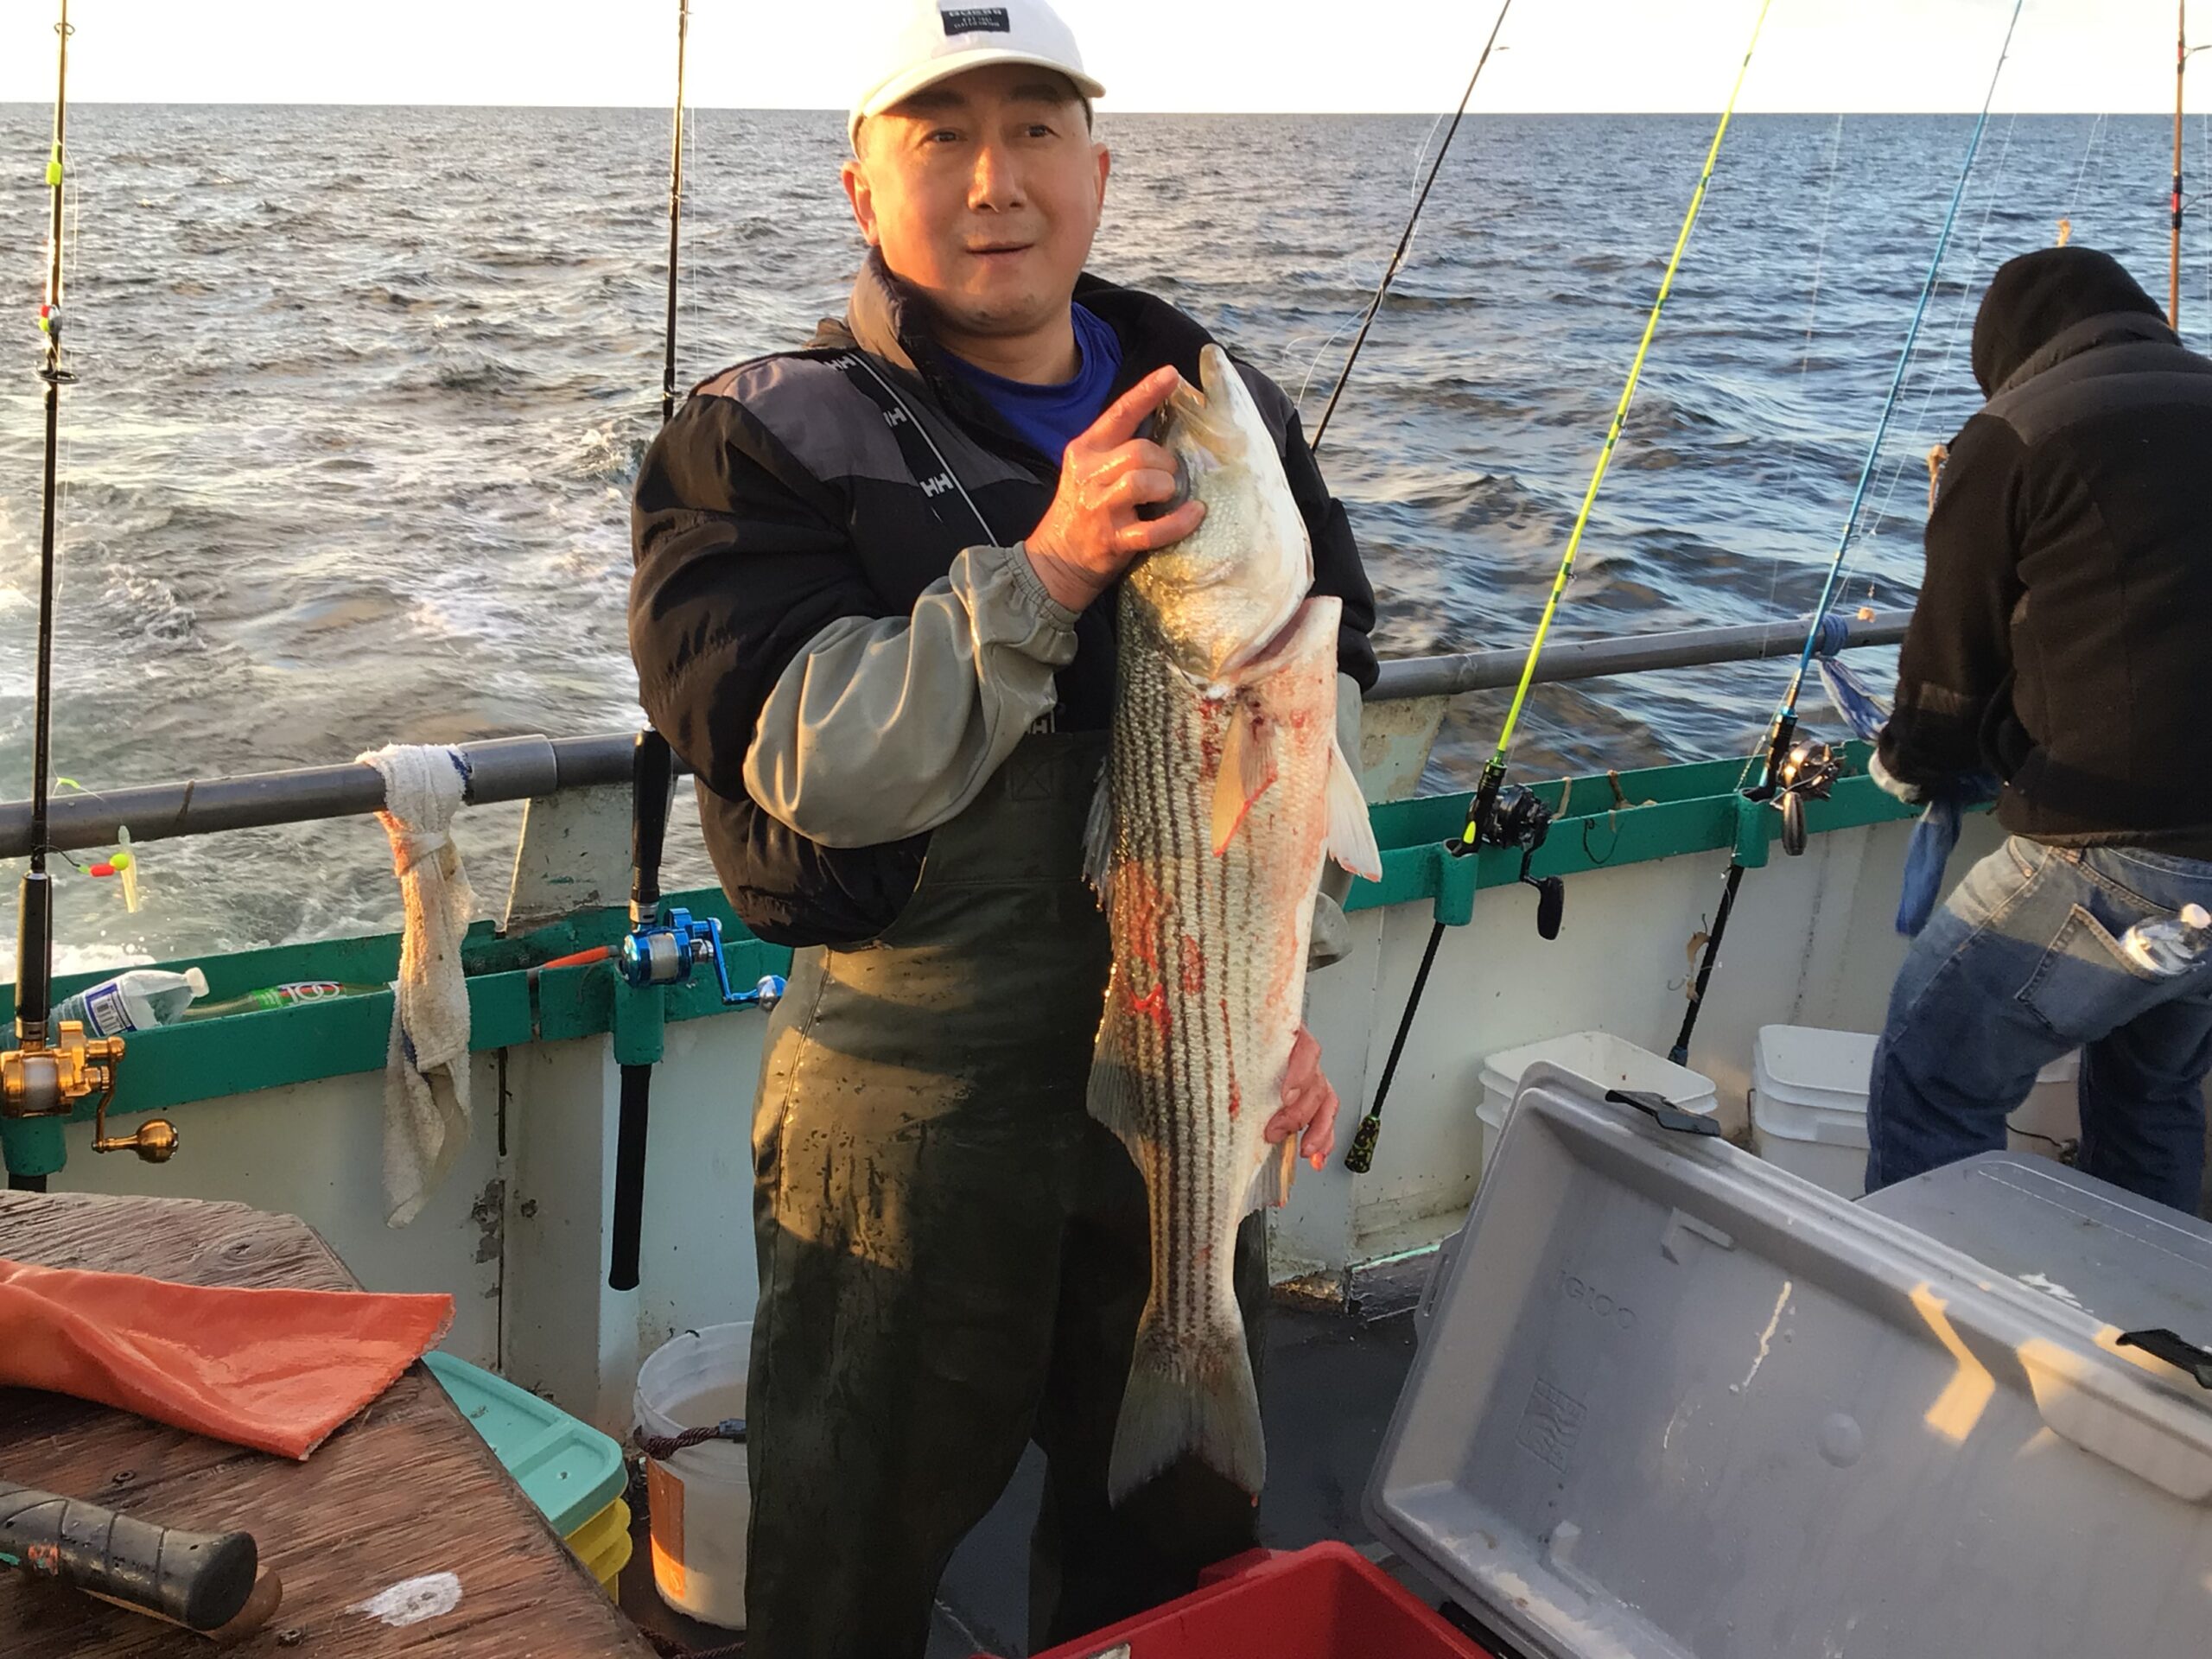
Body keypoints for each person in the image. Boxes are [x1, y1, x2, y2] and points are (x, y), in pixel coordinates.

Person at [626, 2, 1379, 1653]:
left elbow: (1306, 727)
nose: (994, 181)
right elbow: (802, 755)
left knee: (1168, 1541)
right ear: (859, 185)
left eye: (1035, 130)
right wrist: (1043, 578)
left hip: (1188, 1080)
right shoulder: (761, 435)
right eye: (941, 138)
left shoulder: (1220, 410)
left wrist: (1281, 1003)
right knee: (849, 1539)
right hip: (907, 1100)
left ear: (1097, 170)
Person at [1866, 245, 2212, 1217]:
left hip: (2112, 852)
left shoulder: (2013, 429)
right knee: (2151, 1095)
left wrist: (1907, 764)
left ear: (2007, 351)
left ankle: (1932, 1333)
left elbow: (1946, 668)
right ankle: (2138, 1346)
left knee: (1932, 1074)